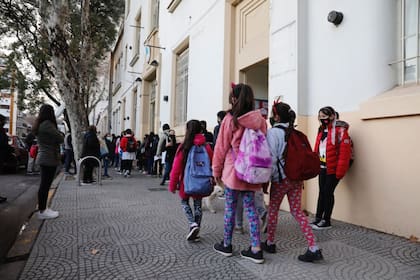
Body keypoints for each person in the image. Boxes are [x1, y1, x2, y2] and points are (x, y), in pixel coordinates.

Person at [261, 101, 323, 262]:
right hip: (296, 179)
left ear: (276, 116)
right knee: (297, 212)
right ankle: (313, 246)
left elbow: (271, 159)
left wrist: (269, 179)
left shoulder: (273, 133)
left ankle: (270, 242)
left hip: (280, 180)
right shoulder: (296, 133)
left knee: (273, 210)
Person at [212, 83, 266, 264]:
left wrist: (216, 171)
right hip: (252, 172)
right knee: (251, 210)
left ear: (234, 99)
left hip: (233, 172)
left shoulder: (230, 119)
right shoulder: (260, 120)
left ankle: (226, 245)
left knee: (230, 209)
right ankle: (256, 248)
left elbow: (221, 147)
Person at [169, 120, 213, 242]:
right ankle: (196, 229)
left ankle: (192, 224)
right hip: (201, 181)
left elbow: (176, 168)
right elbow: (212, 163)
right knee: (198, 205)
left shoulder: (184, 146)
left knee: (184, 202)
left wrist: (172, 185)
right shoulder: (206, 146)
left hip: (185, 182)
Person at [310, 106, 352, 230]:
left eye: (325, 116)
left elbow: (344, 153)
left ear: (333, 116)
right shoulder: (321, 130)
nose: (322, 119)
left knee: (328, 193)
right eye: (320, 117)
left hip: (333, 169)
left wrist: (339, 172)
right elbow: (317, 148)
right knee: (322, 193)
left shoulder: (340, 131)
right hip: (322, 167)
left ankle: (326, 220)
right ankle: (318, 218)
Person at [32, 105, 64, 219]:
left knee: (45, 185)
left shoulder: (41, 124)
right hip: (48, 158)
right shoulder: (47, 125)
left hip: (45, 157)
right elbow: (60, 138)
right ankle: (42, 211)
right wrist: (60, 133)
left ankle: (43, 208)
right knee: (45, 185)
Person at [0, 114, 13, 202]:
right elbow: (3, 144)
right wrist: (12, 149)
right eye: (4, 121)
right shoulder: (1, 131)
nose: (5, 122)